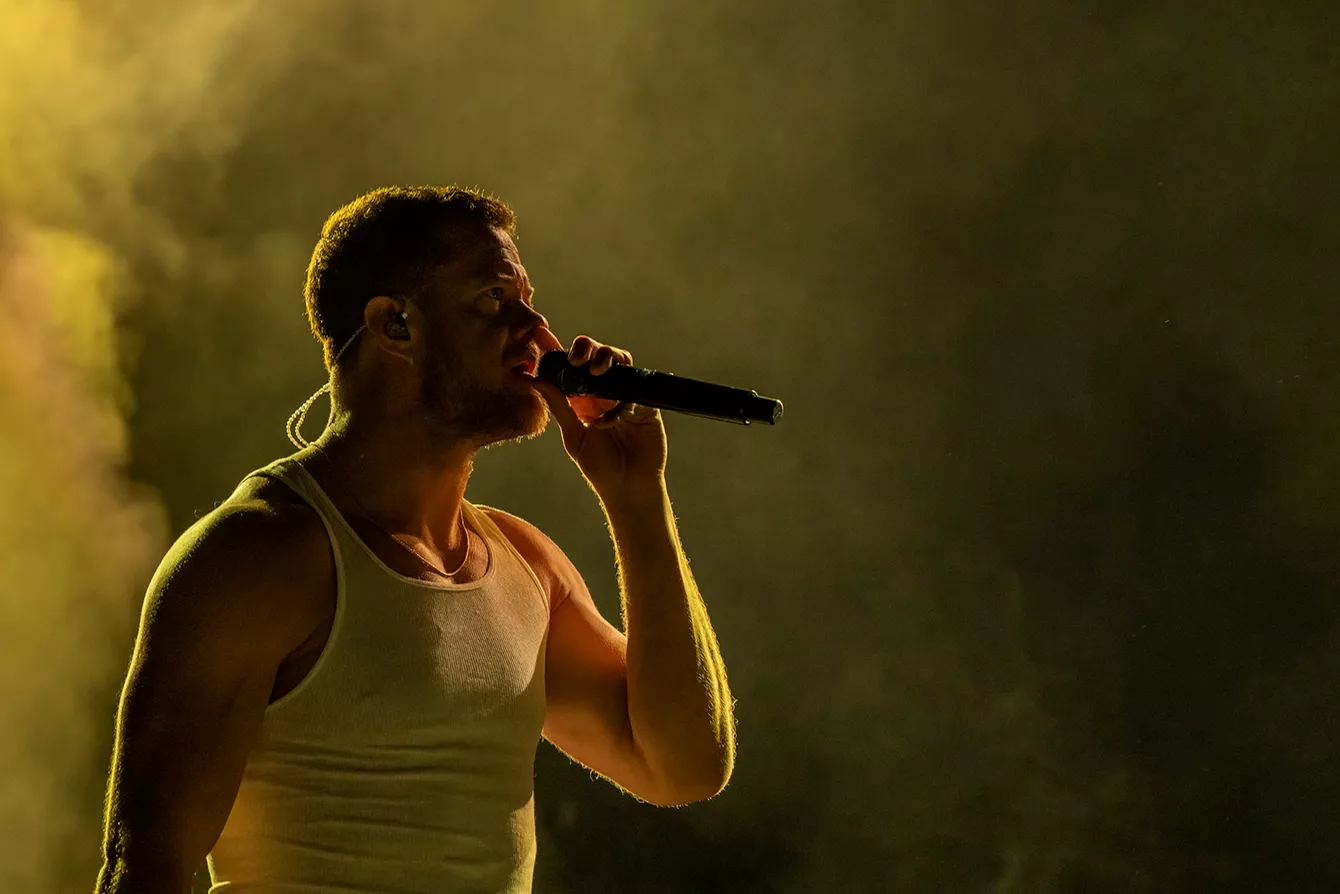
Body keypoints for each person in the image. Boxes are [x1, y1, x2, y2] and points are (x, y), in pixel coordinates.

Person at [94, 186, 736, 894]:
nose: (537, 328)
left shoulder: (525, 566)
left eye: (529, 299)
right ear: (394, 324)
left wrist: (636, 496)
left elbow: (683, 767)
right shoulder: (257, 555)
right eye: (495, 298)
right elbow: (143, 870)